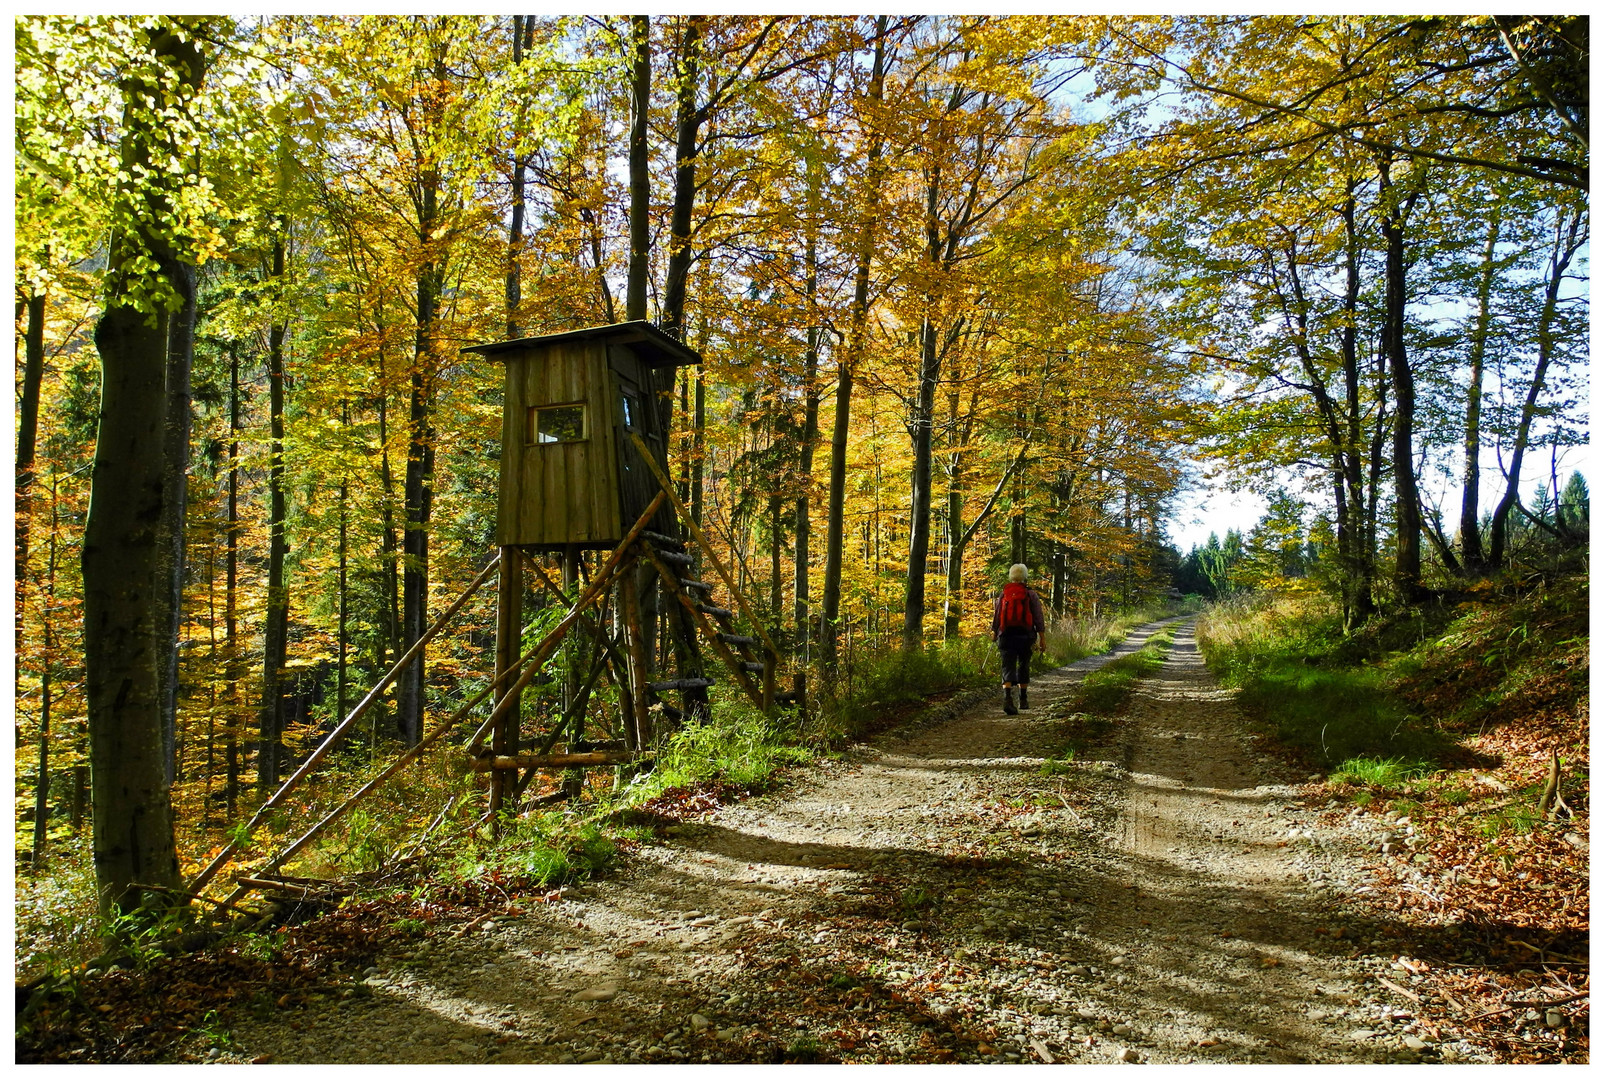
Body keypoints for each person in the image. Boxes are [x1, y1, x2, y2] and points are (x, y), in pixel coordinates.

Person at [991, 563, 1046, 715]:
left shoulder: (1004, 594)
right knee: (1023, 664)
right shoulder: (1030, 594)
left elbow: (997, 614)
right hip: (1025, 635)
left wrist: (994, 631)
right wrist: (1042, 637)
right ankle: (1023, 699)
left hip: (1006, 635)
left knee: (1007, 665)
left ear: (1011, 576)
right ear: (1025, 576)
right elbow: (1038, 617)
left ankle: (1008, 698)